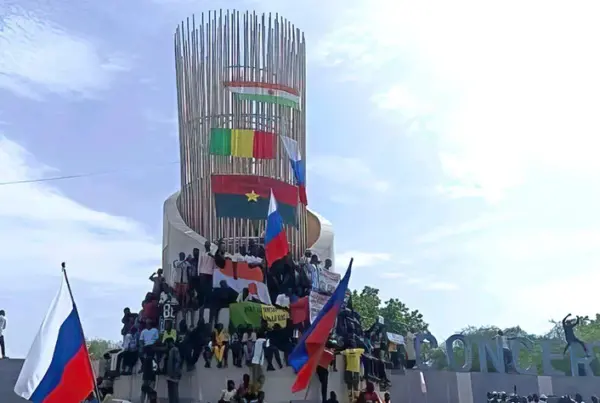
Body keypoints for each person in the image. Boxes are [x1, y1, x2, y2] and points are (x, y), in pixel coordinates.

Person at [166, 337, 182, 403]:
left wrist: (175, 372)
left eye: (167, 343)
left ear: (170, 343)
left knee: (174, 391)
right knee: (171, 390)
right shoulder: (171, 350)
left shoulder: (175, 349)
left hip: (174, 375)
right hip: (170, 375)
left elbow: (178, 361)